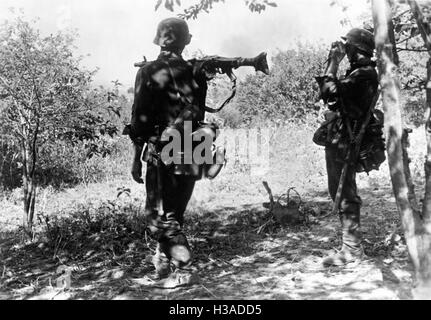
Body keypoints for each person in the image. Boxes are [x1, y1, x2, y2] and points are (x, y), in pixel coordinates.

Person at [315, 28, 380, 267]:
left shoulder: (364, 74)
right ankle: (350, 245)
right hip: (343, 136)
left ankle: (352, 249)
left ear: (357, 48)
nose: (346, 49)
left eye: (348, 46)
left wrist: (333, 61)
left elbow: (327, 92)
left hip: (347, 139)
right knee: (340, 191)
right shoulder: (360, 72)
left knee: (344, 193)